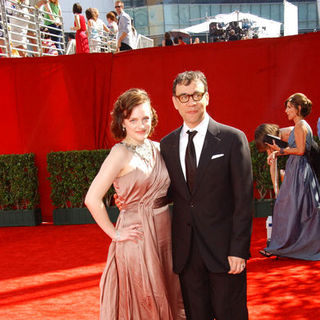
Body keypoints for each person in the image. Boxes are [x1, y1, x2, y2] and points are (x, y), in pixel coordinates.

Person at [85, 88, 185, 320]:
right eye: (134, 120)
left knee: (168, 293)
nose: (141, 125)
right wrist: (115, 233)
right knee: (145, 300)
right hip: (137, 236)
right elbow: (92, 198)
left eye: (146, 118)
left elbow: (170, 190)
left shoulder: (159, 148)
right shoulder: (119, 153)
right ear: (122, 122)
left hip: (165, 233)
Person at [160, 71, 253, 320]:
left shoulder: (233, 139)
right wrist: (130, 199)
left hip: (225, 252)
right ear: (174, 102)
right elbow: (168, 191)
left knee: (230, 315)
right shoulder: (166, 145)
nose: (190, 102)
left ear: (207, 97)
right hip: (187, 254)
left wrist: (239, 250)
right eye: (184, 96)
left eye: (196, 95)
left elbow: (244, 199)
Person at [259, 93, 320, 260]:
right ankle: (285, 245)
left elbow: (300, 150)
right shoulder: (299, 125)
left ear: (298, 108)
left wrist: (280, 151)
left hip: (300, 170)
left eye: (289, 107)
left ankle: (287, 246)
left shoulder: (300, 125)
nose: (286, 111)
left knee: (289, 207)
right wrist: (278, 152)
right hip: (297, 168)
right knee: (292, 207)